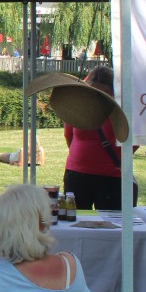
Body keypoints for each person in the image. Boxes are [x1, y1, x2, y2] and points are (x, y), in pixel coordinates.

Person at [62, 66, 129, 210]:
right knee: (74, 221)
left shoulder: (122, 110)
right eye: (94, 91)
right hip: (77, 173)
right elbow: (69, 135)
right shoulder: (79, 106)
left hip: (111, 176)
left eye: (104, 94)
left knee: (110, 224)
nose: (98, 97)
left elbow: (131, 142)